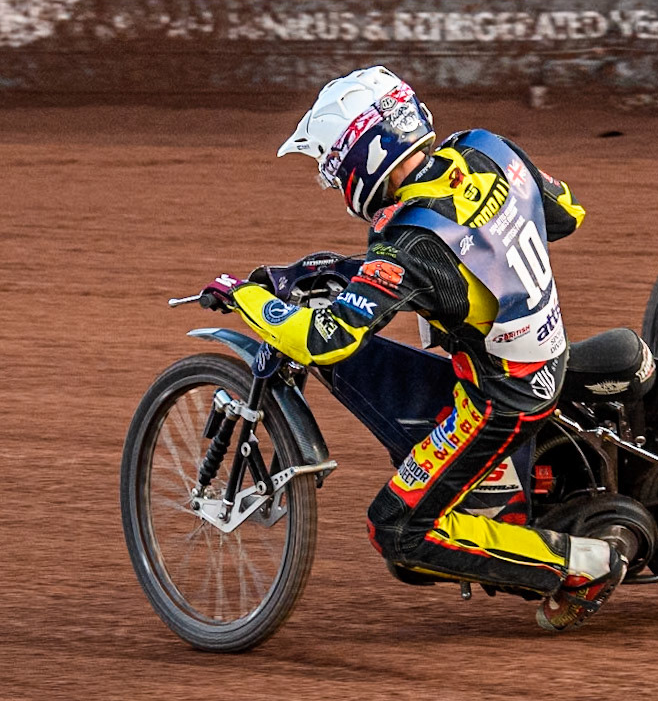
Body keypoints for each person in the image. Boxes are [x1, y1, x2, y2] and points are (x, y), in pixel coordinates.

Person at [197, 66, 624, 632]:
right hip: (534, 343)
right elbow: (566, 213)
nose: (333, 182)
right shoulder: (484, 147)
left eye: (332, 166)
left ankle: (585, 564)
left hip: (503, 393)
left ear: (363, 155)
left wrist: (250, 299)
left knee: (394, 529)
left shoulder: (411, 242)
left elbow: (328, 339)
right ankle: (501, 500)